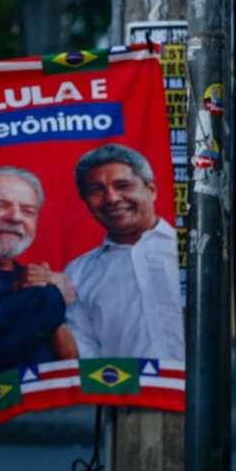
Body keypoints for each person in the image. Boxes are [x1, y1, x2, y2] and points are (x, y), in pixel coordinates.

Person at [0, 166, 78, 381]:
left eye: (28, 211)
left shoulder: (32, 277)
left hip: (55, 408)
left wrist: (48, 294)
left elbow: (73, 365)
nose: (16, 218)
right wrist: (50, 297)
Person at [65, 143, 183, 360]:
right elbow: (85, 358)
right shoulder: (77, 273)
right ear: (86, 202)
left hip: (207, 392)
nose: (111, 198)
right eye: (96, 190)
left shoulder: (193, 251)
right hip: (126, 393)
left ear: (151, 190)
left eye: (123, 185)